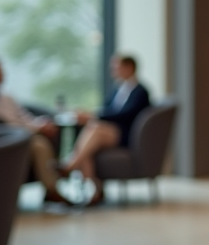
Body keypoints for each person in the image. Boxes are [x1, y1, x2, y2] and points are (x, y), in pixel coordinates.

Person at [0, 58, 72, 206]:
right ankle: (52, 189)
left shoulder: (5, 95)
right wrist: (35, 128)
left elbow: (22, 115)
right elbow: (3, 124)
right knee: (40, 146)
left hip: (22, 133)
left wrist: (39, 123)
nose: (3, 75)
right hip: (4, 141)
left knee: (46, 136)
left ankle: (54, 181)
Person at [61, 54, 150, 206]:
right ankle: (96, 191)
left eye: (116, 67)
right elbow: (107, 109)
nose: (113, 70)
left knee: (94, 129)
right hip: (108, 133)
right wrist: (90, 115)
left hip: (126, 134)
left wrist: (93, 116)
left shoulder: (141, 91)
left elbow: (126, 115)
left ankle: (70, 164)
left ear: (129, 67)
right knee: (87, 148)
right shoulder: (118, 89)